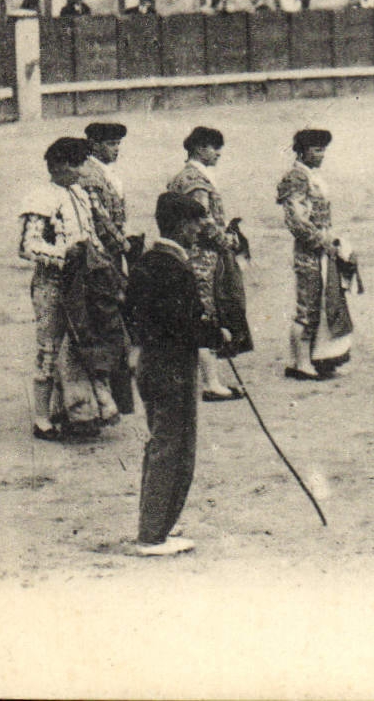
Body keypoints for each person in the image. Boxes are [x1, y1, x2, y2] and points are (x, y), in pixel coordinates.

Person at [125, 193, 227, 556]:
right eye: (196, 223)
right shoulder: (171, 266)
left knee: (167, 444)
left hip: (157, 363)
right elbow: (179, 324)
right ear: (182, 226)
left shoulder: (152, 261)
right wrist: (215, 335)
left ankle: (158, 526)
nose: (200, 229)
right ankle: (152, 534)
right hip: (171, 366)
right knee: (172, 447)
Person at [18, 137, 121, 439]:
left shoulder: (79, 193)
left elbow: (93, 236)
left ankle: (79, 411)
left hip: (86, 282)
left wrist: (100, 261)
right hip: (53, 285)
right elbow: (28, 247)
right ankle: (41, 419)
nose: (82, 169)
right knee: (49, 349)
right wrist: (66, 255)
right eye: (77, 163)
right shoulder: (40, 197)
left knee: (86, 344)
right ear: (60, 165)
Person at [167, 127, 249, 402]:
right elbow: (203, 222)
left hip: (188, 253)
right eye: (214, 147)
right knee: (206, 314)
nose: (218, 153)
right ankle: (210, 383)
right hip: (202, 256)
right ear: (199, 148)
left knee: (198, 314)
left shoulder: (185, 177)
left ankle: (204, 380)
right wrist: (227, 241)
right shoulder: (197, 181)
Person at [277, 129, 357, 380]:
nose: (322, 155)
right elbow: (296, 221)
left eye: (323, 149)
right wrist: (323, 242)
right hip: (310, 252)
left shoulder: (309, 176)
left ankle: (314, 358)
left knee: (321, 303)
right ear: (302, 151)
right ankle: (300, 363)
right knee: (308, 305)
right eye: (316, 149)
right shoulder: (297, 178)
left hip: (321, 248)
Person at [76, 121, 135, 413]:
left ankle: (111, 378)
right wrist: (121, 241)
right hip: (98, 257)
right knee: (103, 314)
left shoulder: (101, 172)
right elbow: (99, 218)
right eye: (111, 144)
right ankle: (104, 383)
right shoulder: (89, 174)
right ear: (95, 144)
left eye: (117, 144)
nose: (116, 150)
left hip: (109, 253)